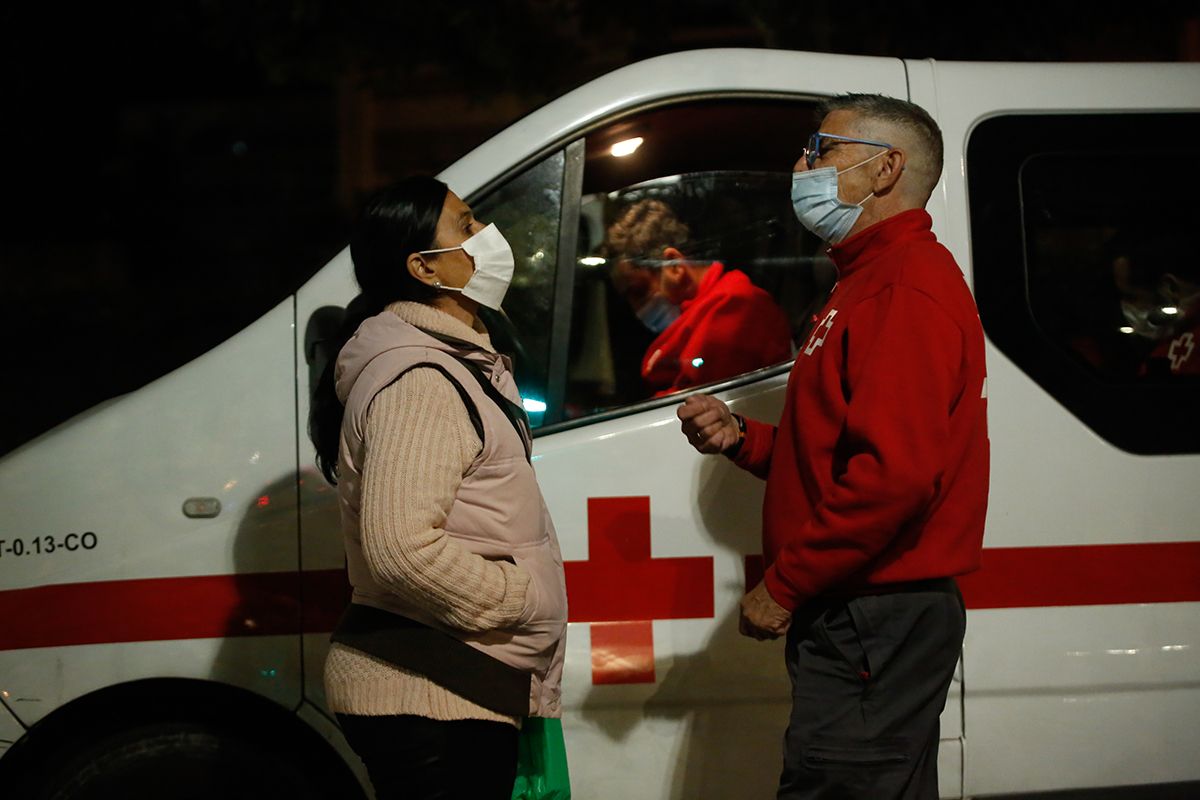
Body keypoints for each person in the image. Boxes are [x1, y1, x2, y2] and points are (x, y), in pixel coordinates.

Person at [678, 94, 989, 799]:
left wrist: (783, 586)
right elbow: (849, 450)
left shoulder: (903, 289)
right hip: (862, 609)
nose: (801, 166)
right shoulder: (867, 282)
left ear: (886, 169)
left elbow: (893, 478)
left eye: (820, 150)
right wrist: (747, 440)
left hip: (872, 613)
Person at [308, 176, 568, 800]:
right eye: (467, 224)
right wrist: (518, 598)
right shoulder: (421, 380)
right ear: (424, 267)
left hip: (453, 681)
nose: (488, 237)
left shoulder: (450, 361)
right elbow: (400, 547)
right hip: (431, 689)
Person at [605, 198, 793, 395]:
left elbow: (699, 403)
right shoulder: (699, 314)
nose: (637, 309)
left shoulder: (735, 305)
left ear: (674, 266)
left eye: (639, 290)